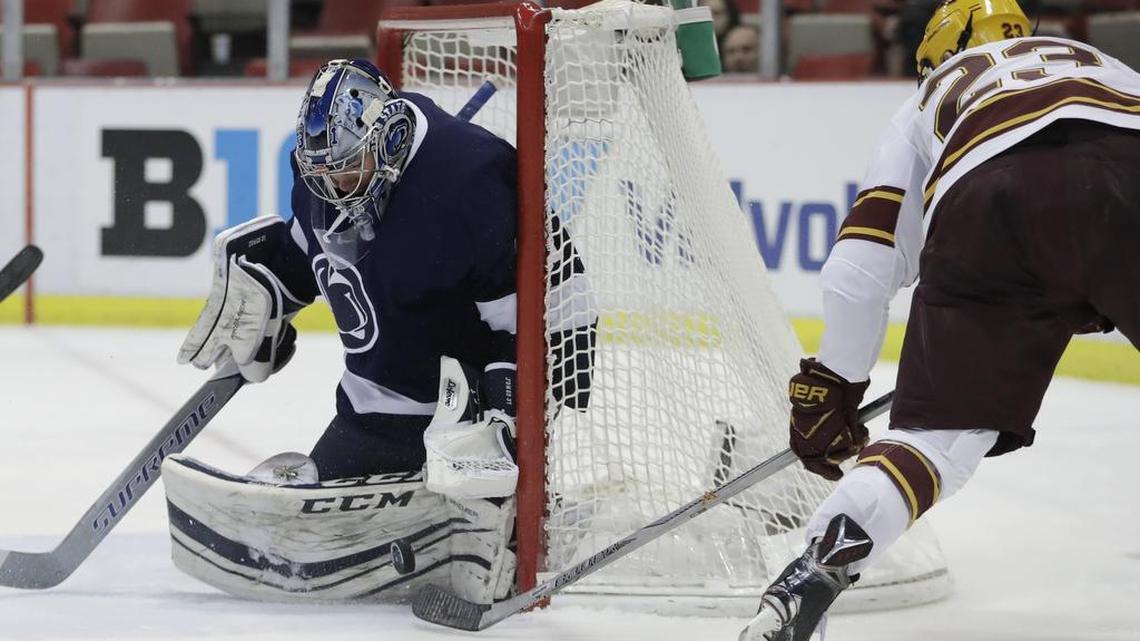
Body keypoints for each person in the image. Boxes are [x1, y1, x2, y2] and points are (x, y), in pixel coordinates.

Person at [740, 0, 1140, 638]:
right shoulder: (1101, 64)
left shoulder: (926, 101)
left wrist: (835, 381)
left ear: (936, 57)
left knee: (936, 440)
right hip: (1129, 163)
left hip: (985, 204)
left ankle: (810, 576)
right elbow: (1092, 193)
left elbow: (861, 263)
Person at [166, 58, 596, 604]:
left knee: (482, 531)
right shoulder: (325, 173)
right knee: (315, 522)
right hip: (373, 410)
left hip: (462, 414)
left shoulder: (470, 178)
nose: (336, 187)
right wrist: (273, 283)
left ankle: (518, 512)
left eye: (348, 169)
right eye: (323, 174)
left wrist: (506, 415)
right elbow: (314, 247)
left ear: (390, 138)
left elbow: (536, 322)